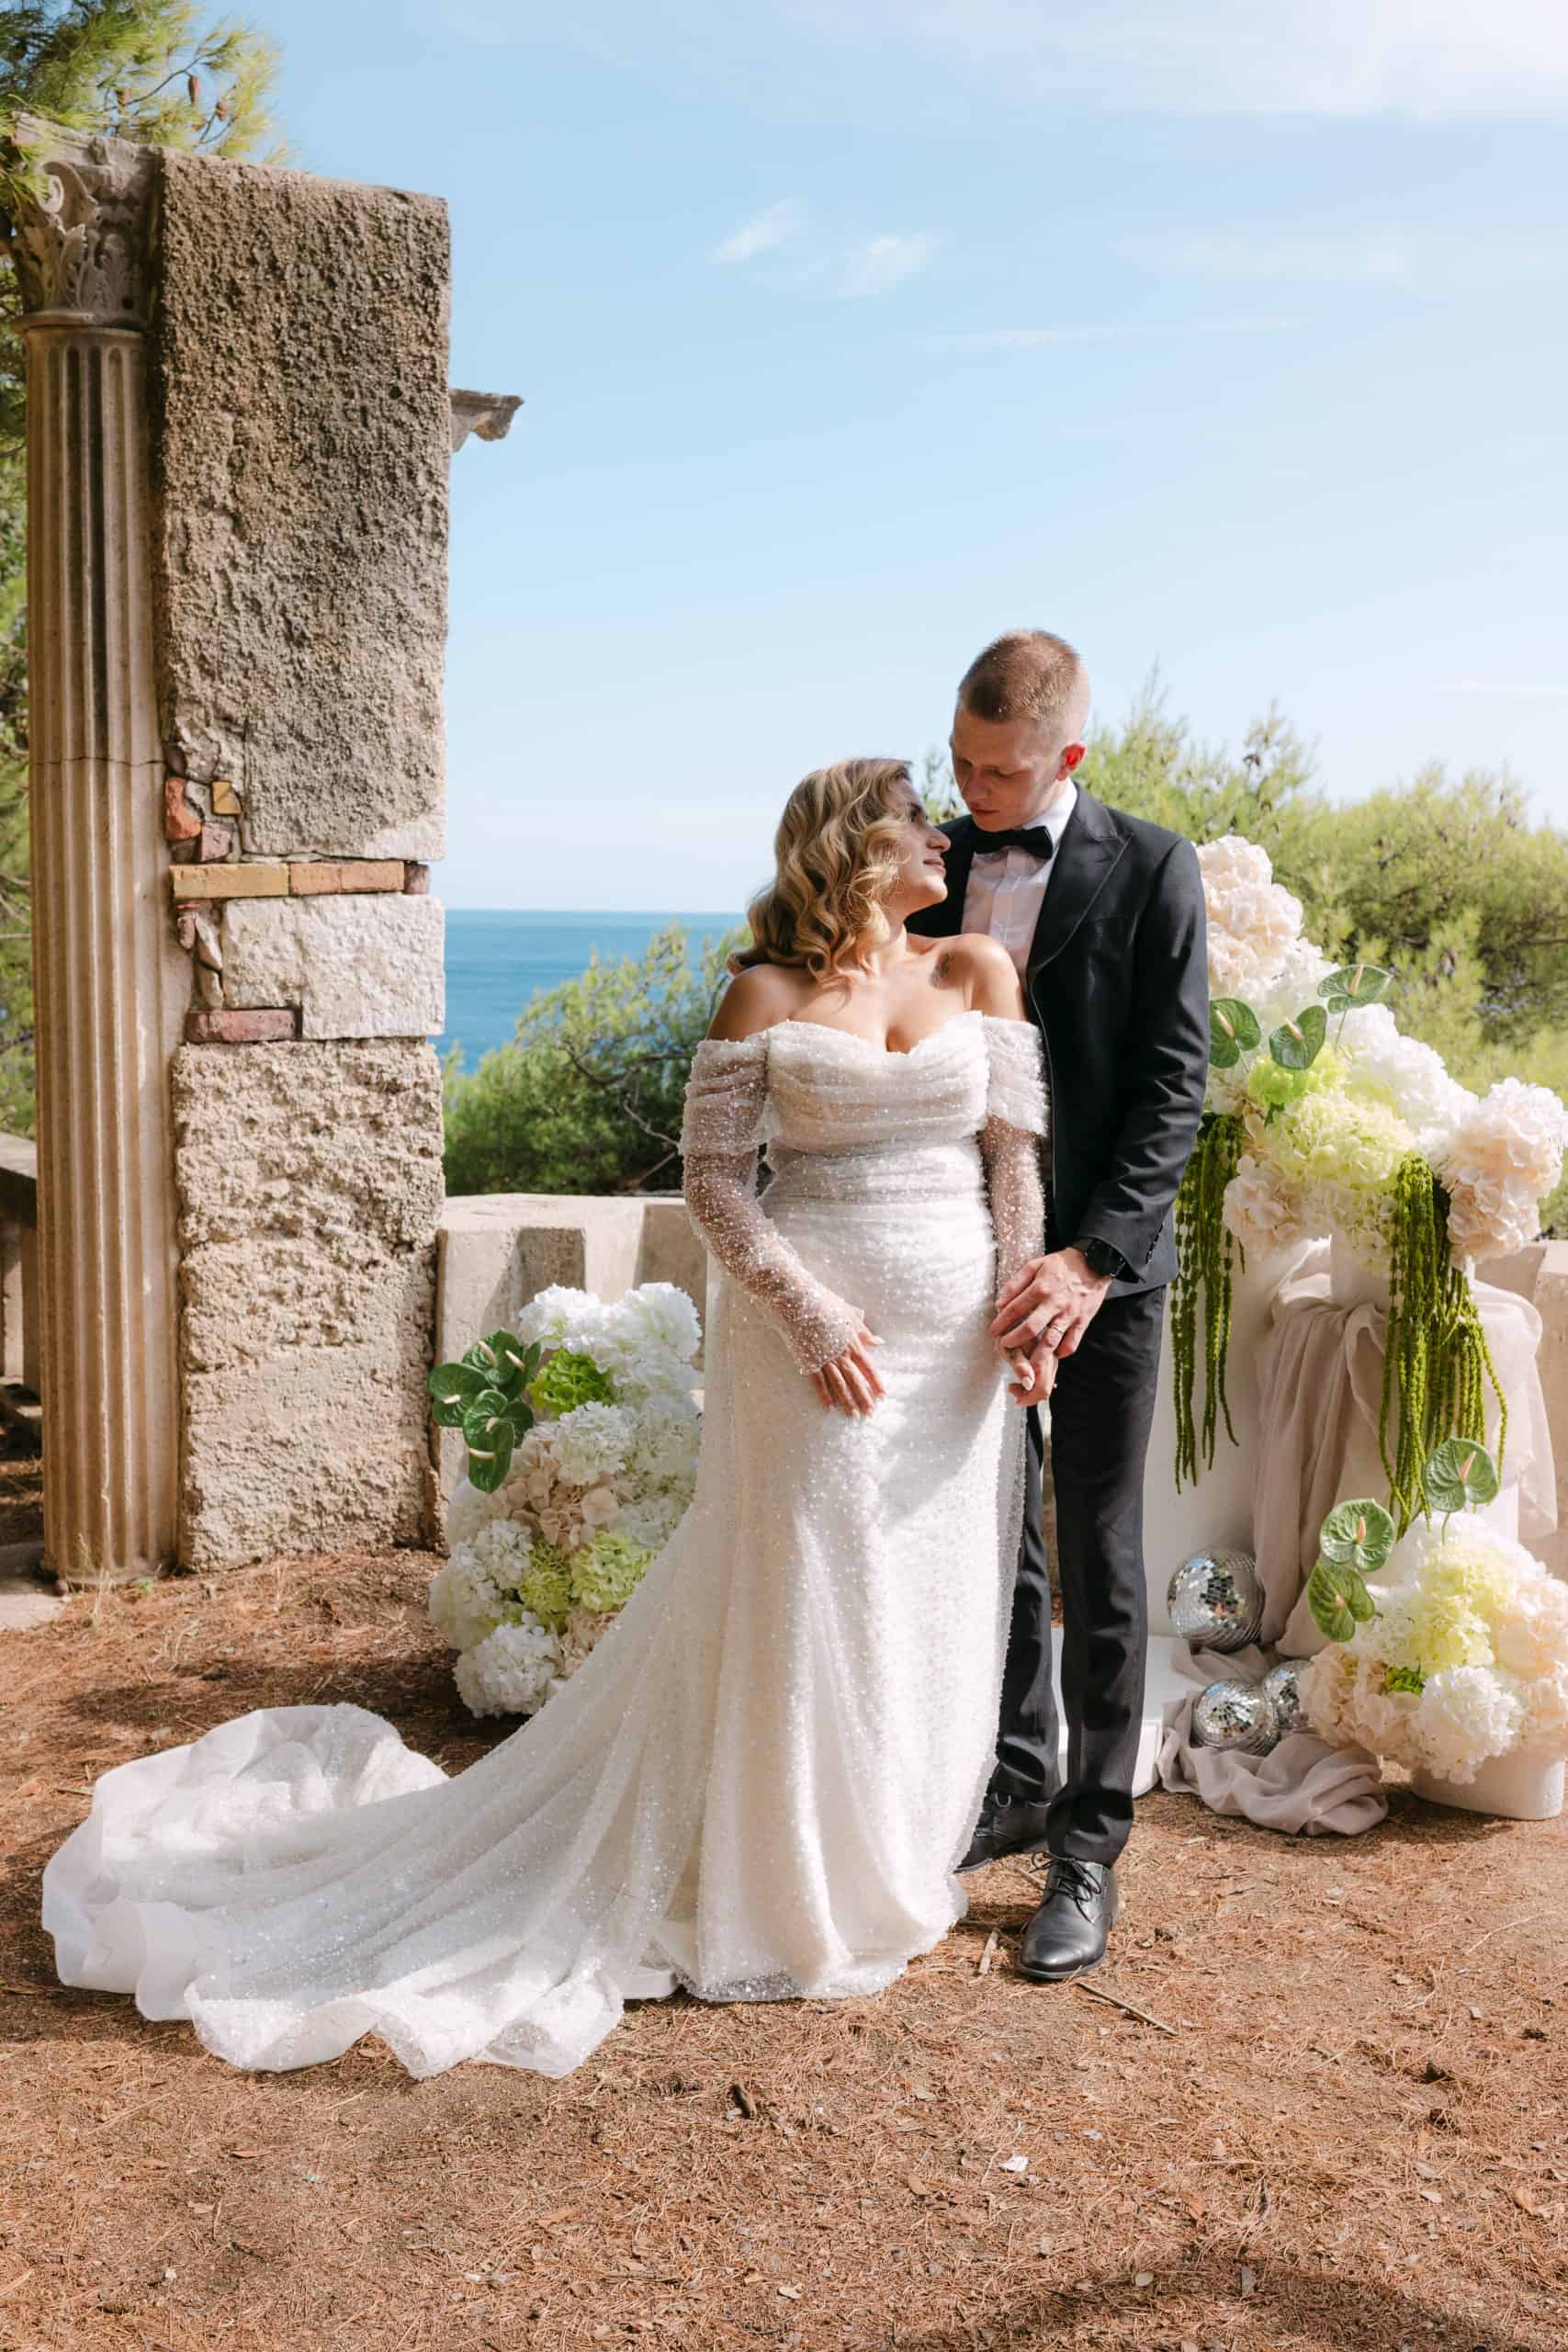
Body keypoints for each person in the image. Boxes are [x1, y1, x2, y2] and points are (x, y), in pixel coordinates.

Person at [42, 758, 1051, 2080]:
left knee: (921, 1589)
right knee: (815, 1586)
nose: (944, 837)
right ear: (856, 848)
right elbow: (714, 1188)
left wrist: (1024, 1309)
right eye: (920, 819)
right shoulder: (768, 992)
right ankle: (787, 1874)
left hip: (955, 1356)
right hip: (812, 1351)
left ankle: (887, 1854)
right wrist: (811, 1315)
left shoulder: (979, 968)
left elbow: (1014, 1160)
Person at [908, 630, 1209, 1982]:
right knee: (991, 1537)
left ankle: (1088, 1844)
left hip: (1096, 1275)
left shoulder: (1153, 870)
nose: (974, 790)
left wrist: (1087, 1263)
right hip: (947, 1260)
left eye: (1003, 772)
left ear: (1069, 757)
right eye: (961, 764)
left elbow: (1169, 1092)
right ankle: (1018, 1774)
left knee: (1094, 1547)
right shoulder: (925, 862)